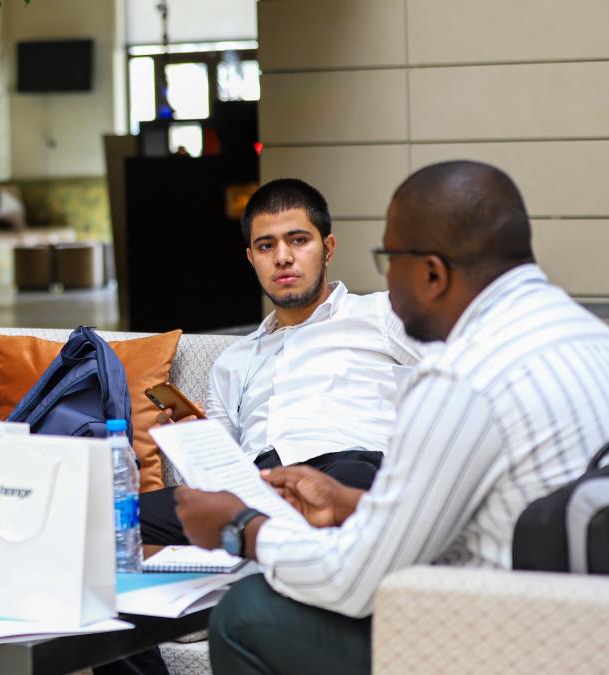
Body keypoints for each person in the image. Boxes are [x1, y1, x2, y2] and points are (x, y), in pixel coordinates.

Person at [174, 161, 609, 674]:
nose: (385, 281)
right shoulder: (595, 341)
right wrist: (351, 505)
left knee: (245, 615)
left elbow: (355, 583)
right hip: (589, 631)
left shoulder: (462, 378)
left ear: (430, 272)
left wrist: (241, 527)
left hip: (503, 640)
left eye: (388, 259)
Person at [141, 178, 422, 546]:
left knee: (349, 484)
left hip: (348, 470)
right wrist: (194, 439)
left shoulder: (380, 314)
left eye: (299, 240)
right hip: (256, 485)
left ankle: (276, 539)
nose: (283, 257)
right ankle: (271, 535)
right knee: (124, 516)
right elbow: (218, 470)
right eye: (266, 246)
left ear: (328, 248)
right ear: (250, 258)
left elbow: (456, 376)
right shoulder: (232, 361)